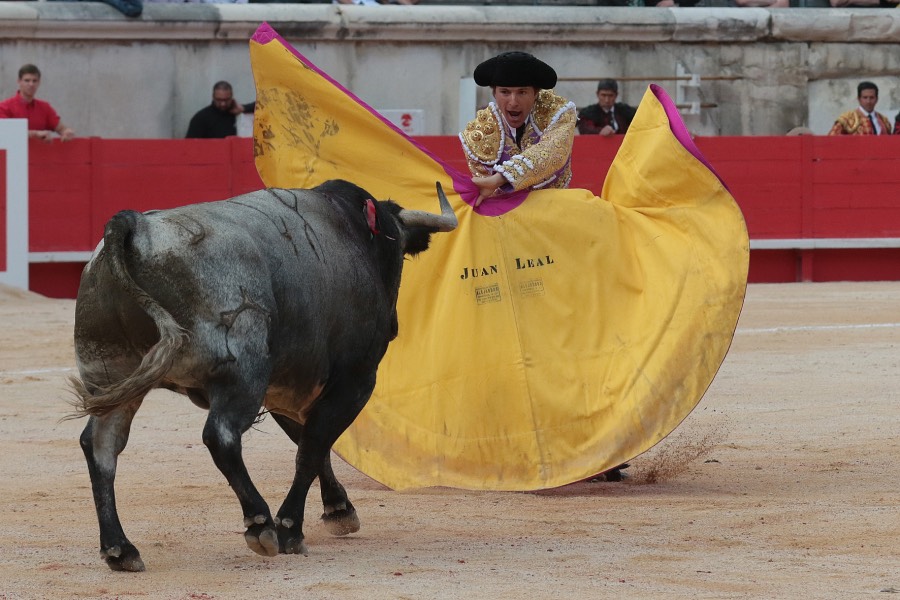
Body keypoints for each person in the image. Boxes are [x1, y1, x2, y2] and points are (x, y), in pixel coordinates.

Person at [459, 51, 577, 207]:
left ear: (535, 93)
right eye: (505, 92)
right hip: (508, 218)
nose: (513, 102)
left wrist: (500, 178)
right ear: (494, 93)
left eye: (522, 92)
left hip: (555, 211)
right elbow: (488, 195)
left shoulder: (558, 113)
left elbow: (551, 152)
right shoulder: (478, 136)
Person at [0, 64, 75, 143]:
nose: (31, 84)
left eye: (34, 81)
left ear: (39, 82)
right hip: (13, 155)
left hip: (40, 154)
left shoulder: (45, 108)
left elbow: (61, 128)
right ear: (19, 81)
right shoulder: (4, 107)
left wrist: (67, 132)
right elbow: (4, 131)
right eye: (27, 80)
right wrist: (35, 134)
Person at [186, 81, 255, 139]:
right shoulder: (201, 118)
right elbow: (189, 146)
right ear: (213, 97)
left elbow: (265, 107)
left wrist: (244, 108)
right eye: (219, 100)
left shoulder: (239, 112)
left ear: (231, 97)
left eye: (226, 100)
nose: (223, 104)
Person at [828, 81, 892, 136]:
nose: (868, 101)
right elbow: (831, 140)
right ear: (859, 99)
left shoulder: (884, 121)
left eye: (871, 97)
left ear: (877, 99)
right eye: (865, 97)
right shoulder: (847, 119)